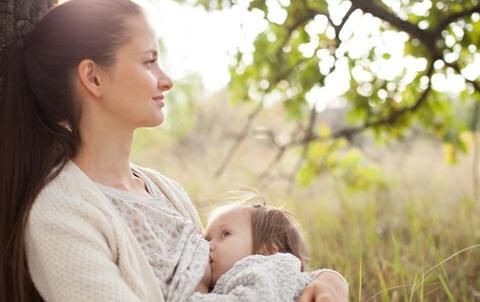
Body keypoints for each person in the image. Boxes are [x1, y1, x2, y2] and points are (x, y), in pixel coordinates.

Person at [0, 0, 348, 301]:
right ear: (93, 78)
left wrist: (326, 280)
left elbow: (239, 280)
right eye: (149, 61)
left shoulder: (165, 192)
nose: (166, 80)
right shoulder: (59, 216)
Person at [186, 194, 348, 302]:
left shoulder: (263, 269)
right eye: (206, 239)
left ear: (267, 250)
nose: (208, 246)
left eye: (225, 234)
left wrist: (198, 289)